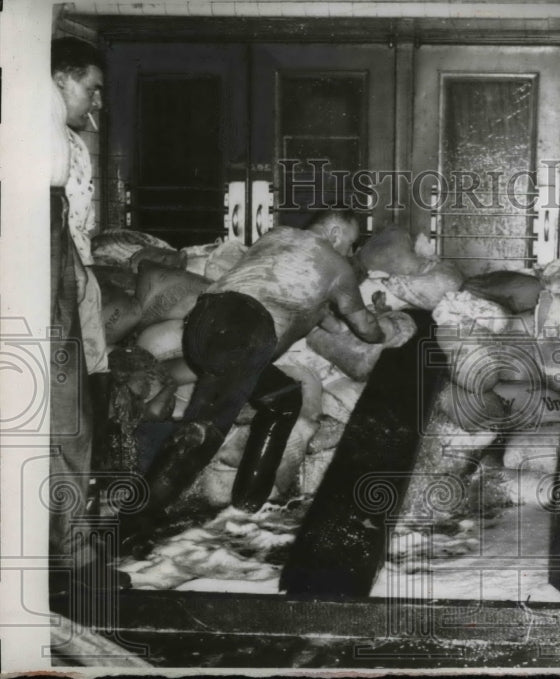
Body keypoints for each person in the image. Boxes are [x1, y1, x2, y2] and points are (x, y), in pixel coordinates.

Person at [121, 210, 385, 548]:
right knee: (205, 431)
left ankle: (248, 505)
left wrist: (330, 313)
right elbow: (365, 329)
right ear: (335, 232)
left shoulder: (276, 237)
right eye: (350, 243)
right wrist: (385, 330)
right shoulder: (336, 265)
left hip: (202, 323)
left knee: (283, 399)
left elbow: (325, 320)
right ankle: (131, 525)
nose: (349, 252)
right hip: (245, 331)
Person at [50, 37, 126, 591]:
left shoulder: (69, 141)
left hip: (75, 276)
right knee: (66, 425)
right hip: (58, 284)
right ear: (58, 80)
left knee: (80, 415)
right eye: (90, 88)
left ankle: (72, 543)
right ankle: (71, 558)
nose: (96, 102)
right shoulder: (43, 144)